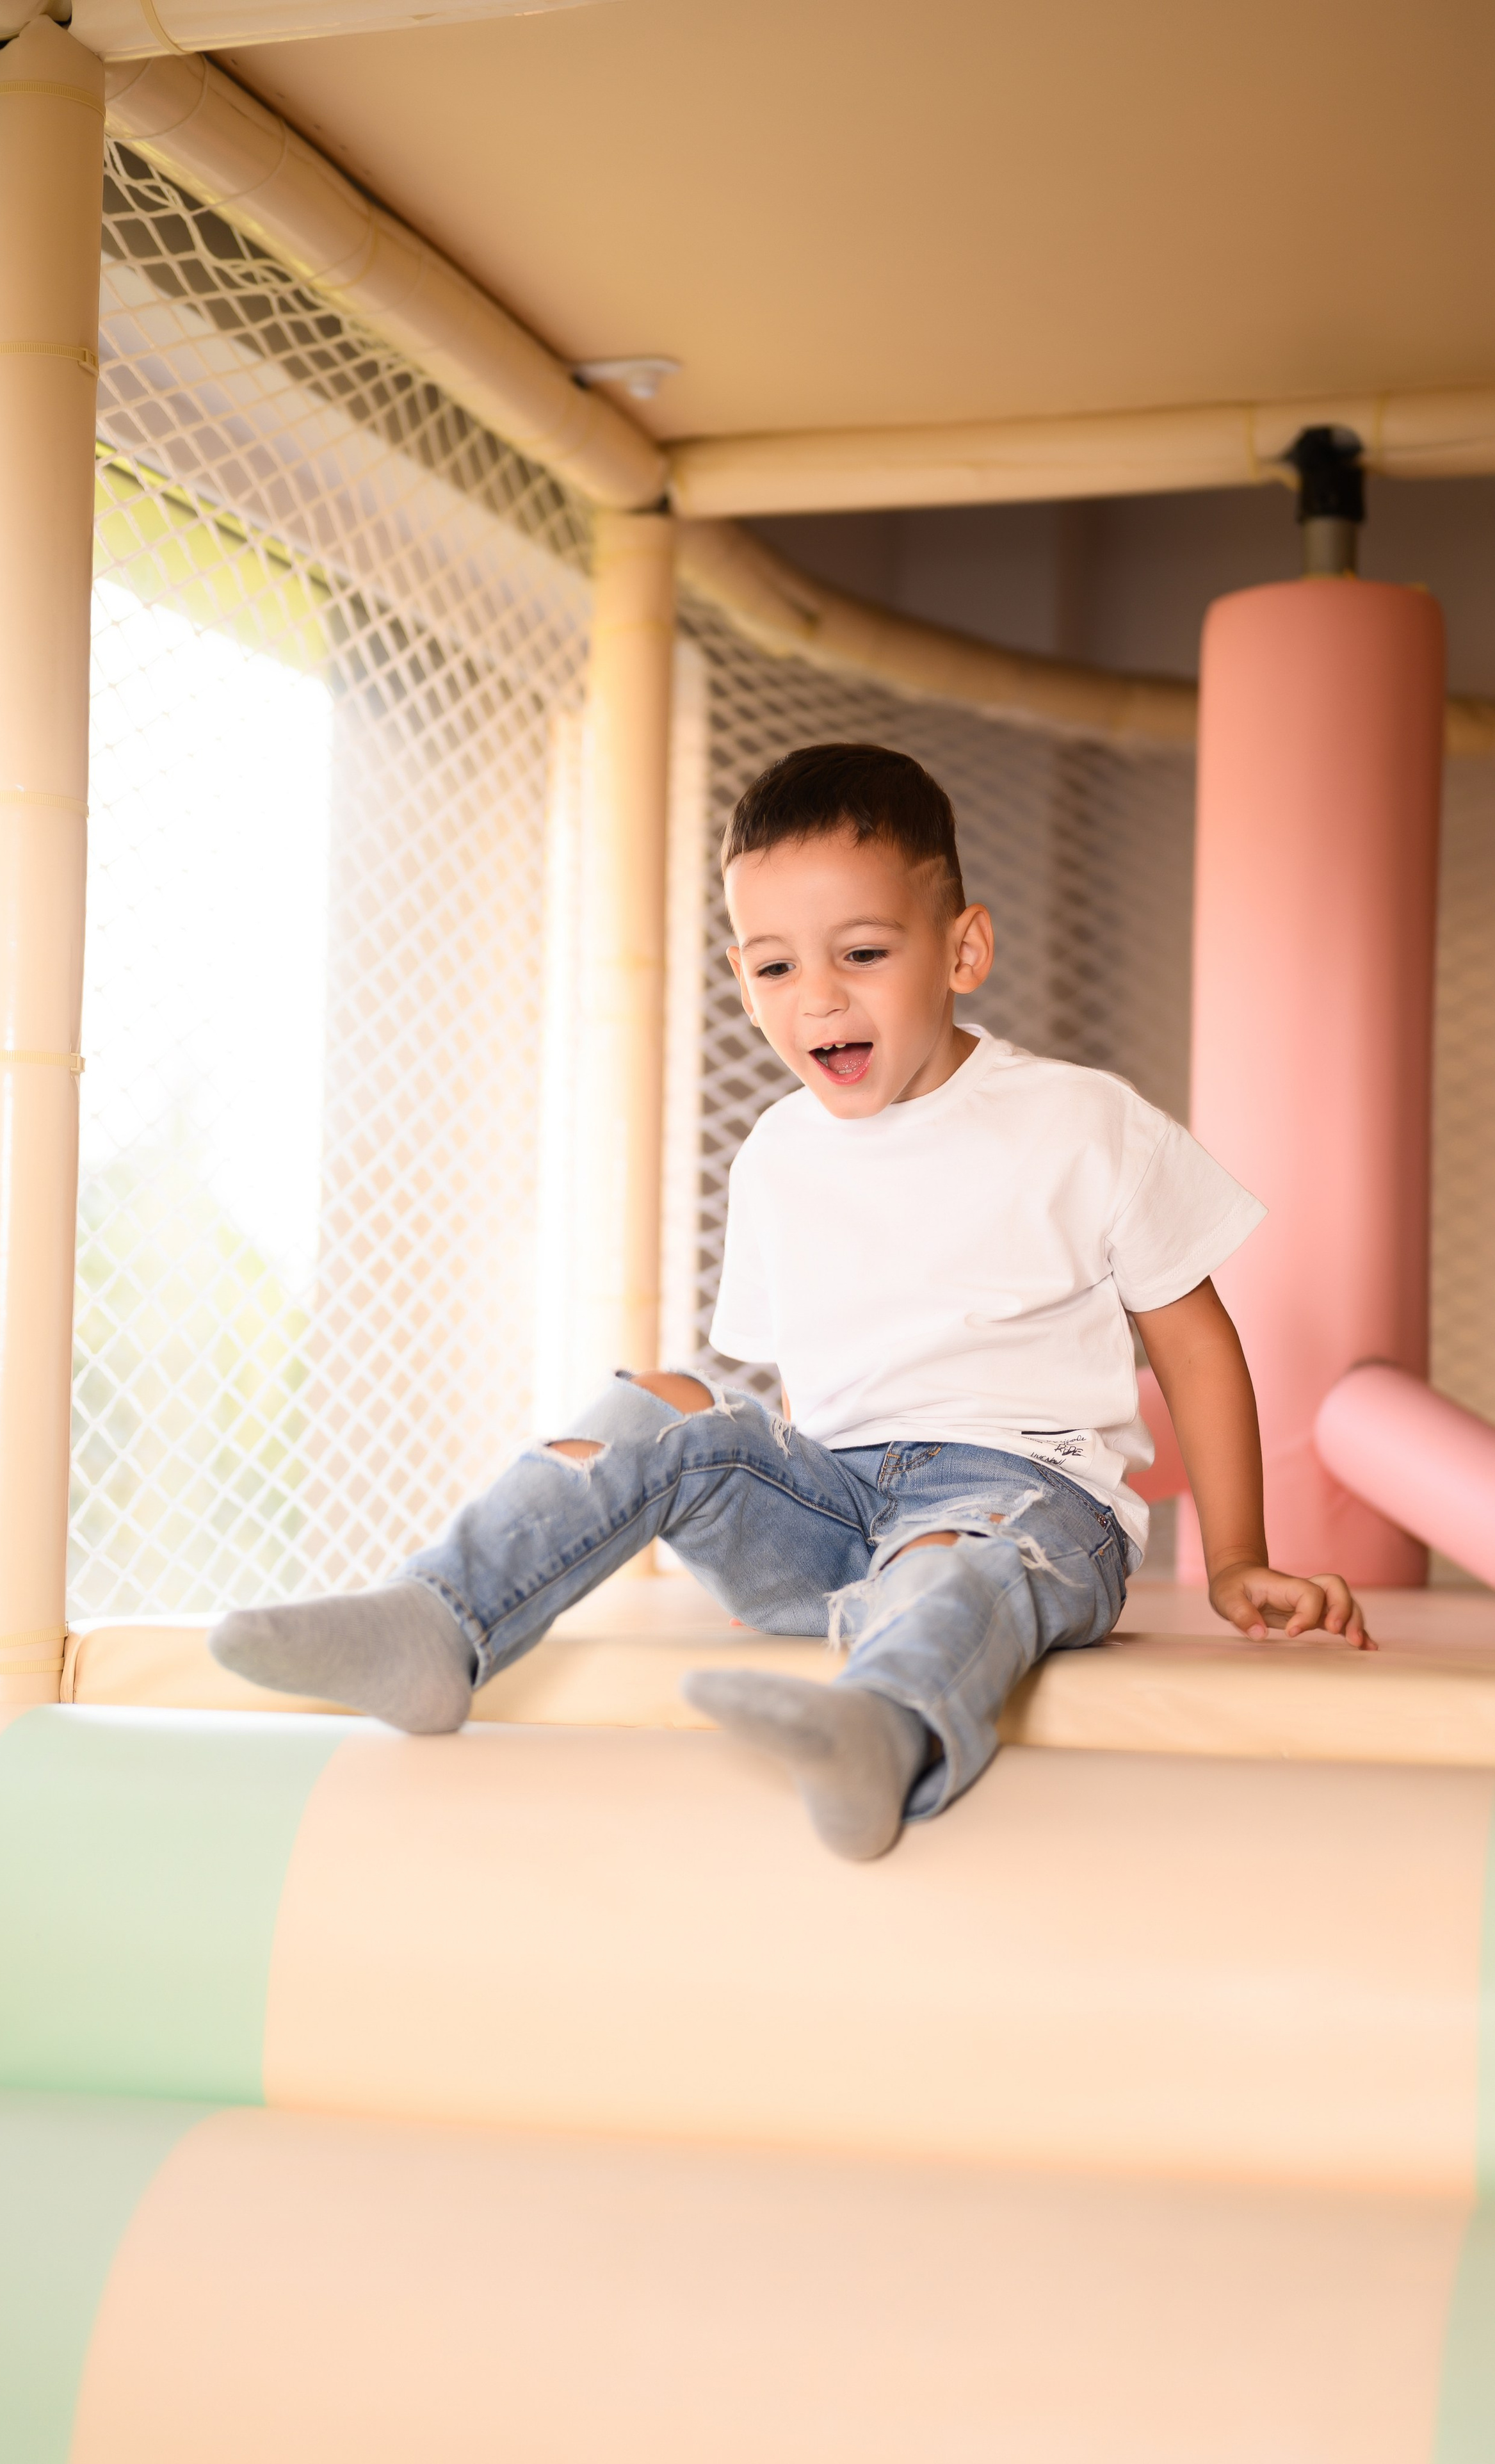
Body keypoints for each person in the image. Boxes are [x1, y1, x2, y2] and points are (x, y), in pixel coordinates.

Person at [211, 741, 1369, 1860]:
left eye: (861, 954)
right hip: (839, 1521)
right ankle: (439, 1620)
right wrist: (765, 1517)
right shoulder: (774, 1153)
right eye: (776, 968)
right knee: (664, 1397)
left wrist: (1234, 1558)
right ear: (743, 980)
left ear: (962, 951)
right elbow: (798, 1396)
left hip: (1024, 1506)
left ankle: (884, 1735)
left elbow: (1198, 1347)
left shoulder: (1083, 1123)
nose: (816, 999)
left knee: (955, 1550)